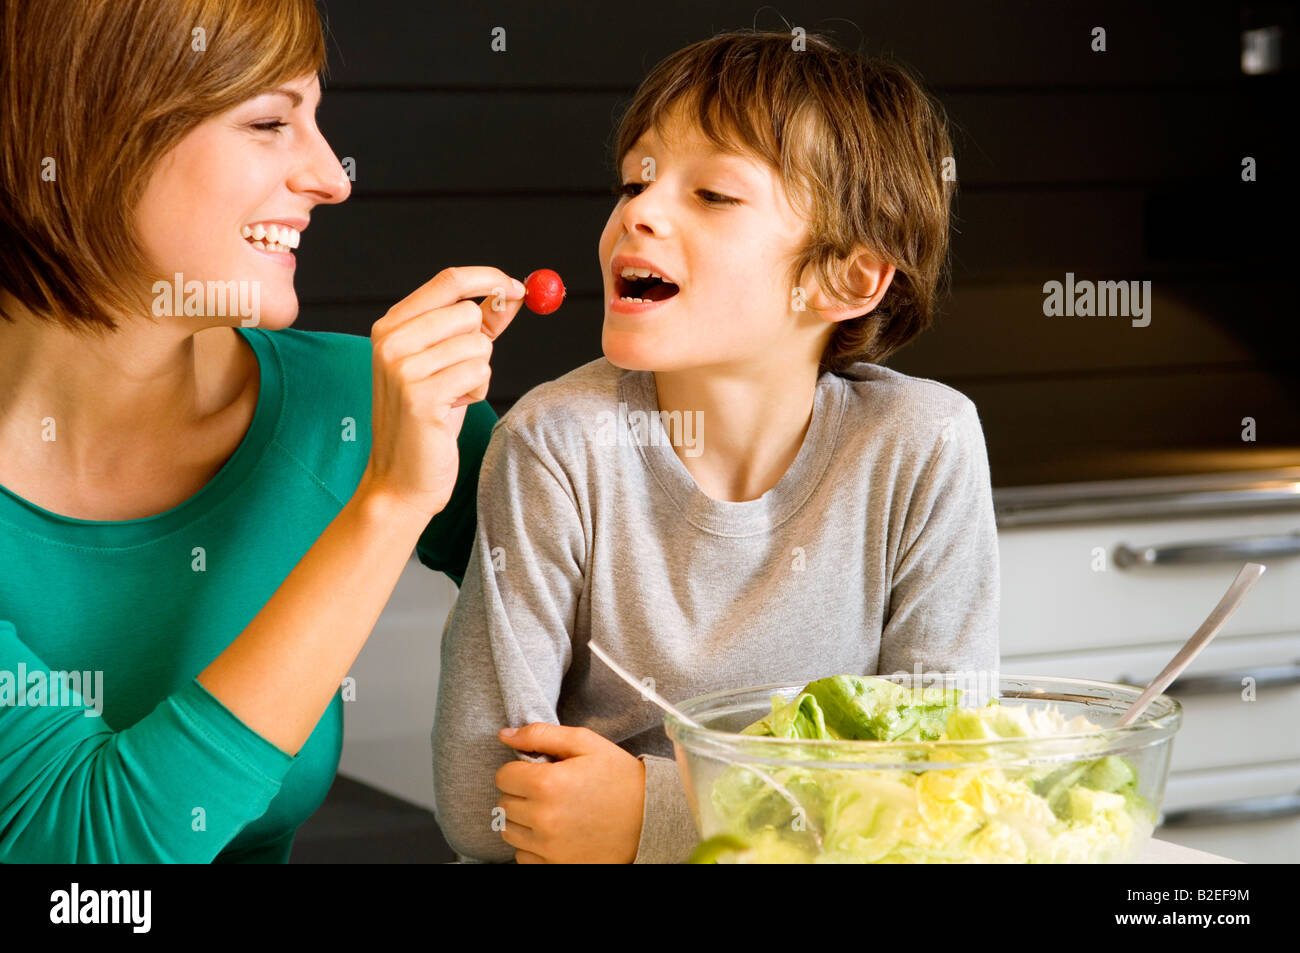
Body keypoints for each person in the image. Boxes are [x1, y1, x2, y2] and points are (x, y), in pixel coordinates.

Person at [433, 29, 1000, 863]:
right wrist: (811, 814)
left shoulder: (923, 445)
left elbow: (942, 786)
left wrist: (655, 812)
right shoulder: (555, 443)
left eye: (714, 195)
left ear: (846, 277)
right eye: (637, 178)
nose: (640, 210)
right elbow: (481, 795)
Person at [0, 0, 523, 862]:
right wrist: (388, 506)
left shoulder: (363, 401)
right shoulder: (392, 459)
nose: (331, 176)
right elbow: (94, 855)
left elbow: (646, 671)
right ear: (94, 130)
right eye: (271, 121)